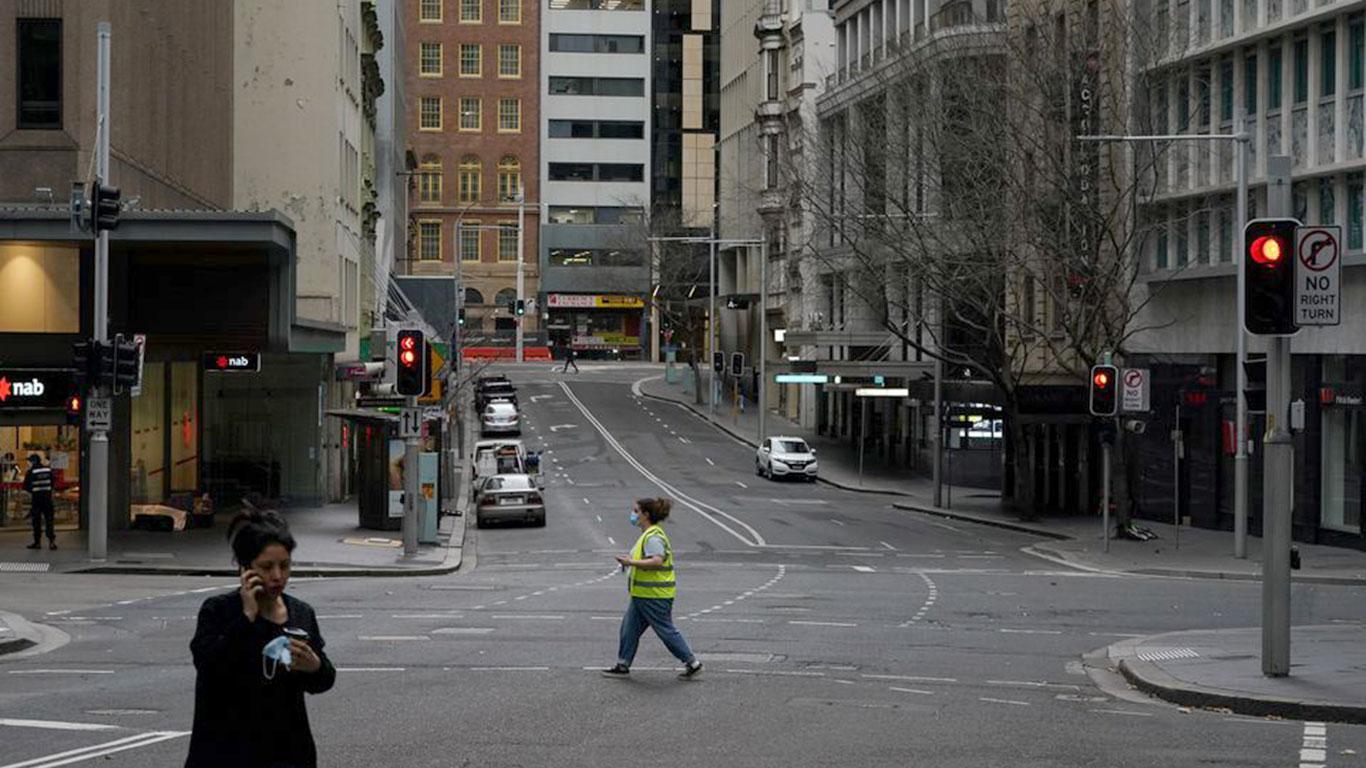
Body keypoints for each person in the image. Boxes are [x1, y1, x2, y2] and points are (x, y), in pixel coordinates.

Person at [185, 509, 336, 768]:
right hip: (225, 753)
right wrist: (247, 617)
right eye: (266, 567)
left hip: (288, 753)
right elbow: (211, 669)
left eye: (285, 565)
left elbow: (322, 681)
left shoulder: (300, 613)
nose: (278, 576)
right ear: (245, 569)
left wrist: (315, 666)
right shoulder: (219, 611)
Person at [602, 497, 703, 680]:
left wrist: (630, 562)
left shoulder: (653, 536)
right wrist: (630, 561)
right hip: (642, 594)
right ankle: (623, 664)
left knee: (665, 630)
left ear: (646, 515)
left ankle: (692, 662)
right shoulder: (647, 534)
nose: (633, 515)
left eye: (636, 511)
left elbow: (657, 561)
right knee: (629, 628)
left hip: (654, 595)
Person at [23, 453, 55, 550]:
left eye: (29, 461)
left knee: (36, 521)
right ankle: (51, 542)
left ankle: (37, 543)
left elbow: (26, 486)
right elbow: (53, 482)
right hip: (48, 498)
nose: (28, 463)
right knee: (49, 520)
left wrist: (33, 491)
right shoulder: (48, 470)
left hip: (36, 499)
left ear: (33, 461)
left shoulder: (31, 472)